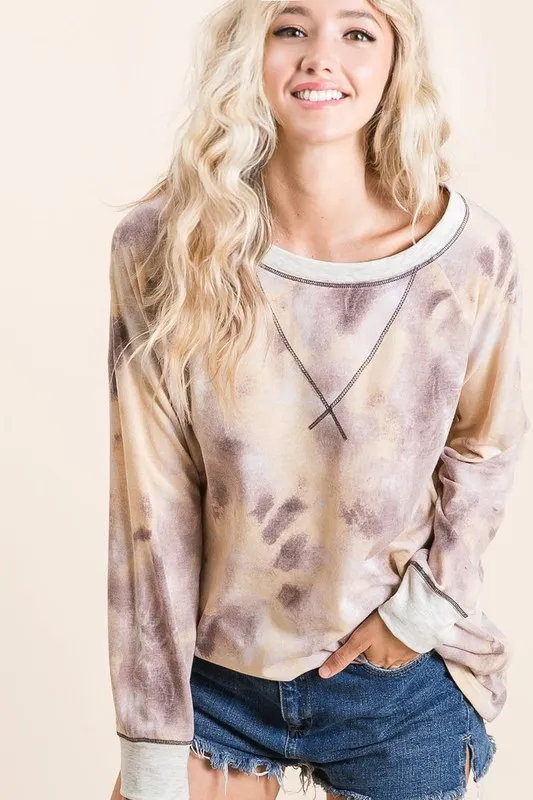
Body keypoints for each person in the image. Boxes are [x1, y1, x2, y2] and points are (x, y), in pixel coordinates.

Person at [106, 1, 530, 799]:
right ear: (250, 50)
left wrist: (419, 613)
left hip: (393, 685)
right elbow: (150, 511)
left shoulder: (469, 253)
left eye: (357, 32)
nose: (320, 58)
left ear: (396, 61)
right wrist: (151, 739)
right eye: (290, 28)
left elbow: (485, 450)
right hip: (214, 682)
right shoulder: (165, 248)